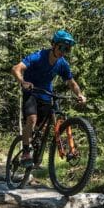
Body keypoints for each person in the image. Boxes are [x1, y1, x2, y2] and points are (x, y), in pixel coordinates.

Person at [11, 29, 86, 167]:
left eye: (67, 49)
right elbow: (16, 68)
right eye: (61, 47)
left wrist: (79, 94)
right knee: (32, 120)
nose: (63, 51)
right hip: (31, 92)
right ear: (53, 45)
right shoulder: (38, 56)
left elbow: (71, 82)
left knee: (45, 127)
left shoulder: (62, 63)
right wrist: (23, 82)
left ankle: (38, 156)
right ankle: (26, 152)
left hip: (46, 95)